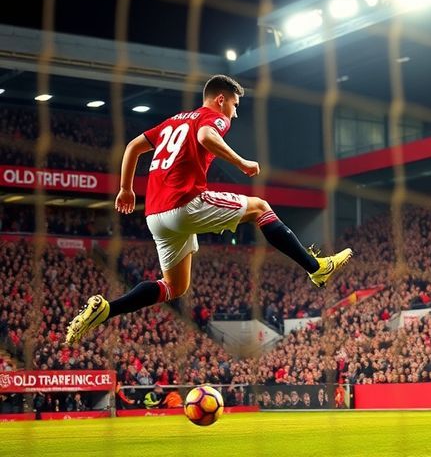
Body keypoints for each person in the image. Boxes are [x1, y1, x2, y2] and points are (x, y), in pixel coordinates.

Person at [66, 75, 352, 344]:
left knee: (174, 287)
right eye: (234, 105)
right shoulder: (212, 117)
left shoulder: (170, 122)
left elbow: (132, 147)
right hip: (185, 203)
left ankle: (106, 310)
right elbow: (205, 137)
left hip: (156, 215)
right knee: (260, 207)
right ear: (220, 99)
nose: (234, 114)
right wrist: (241, 162)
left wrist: (126, 188)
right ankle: (316, 268)